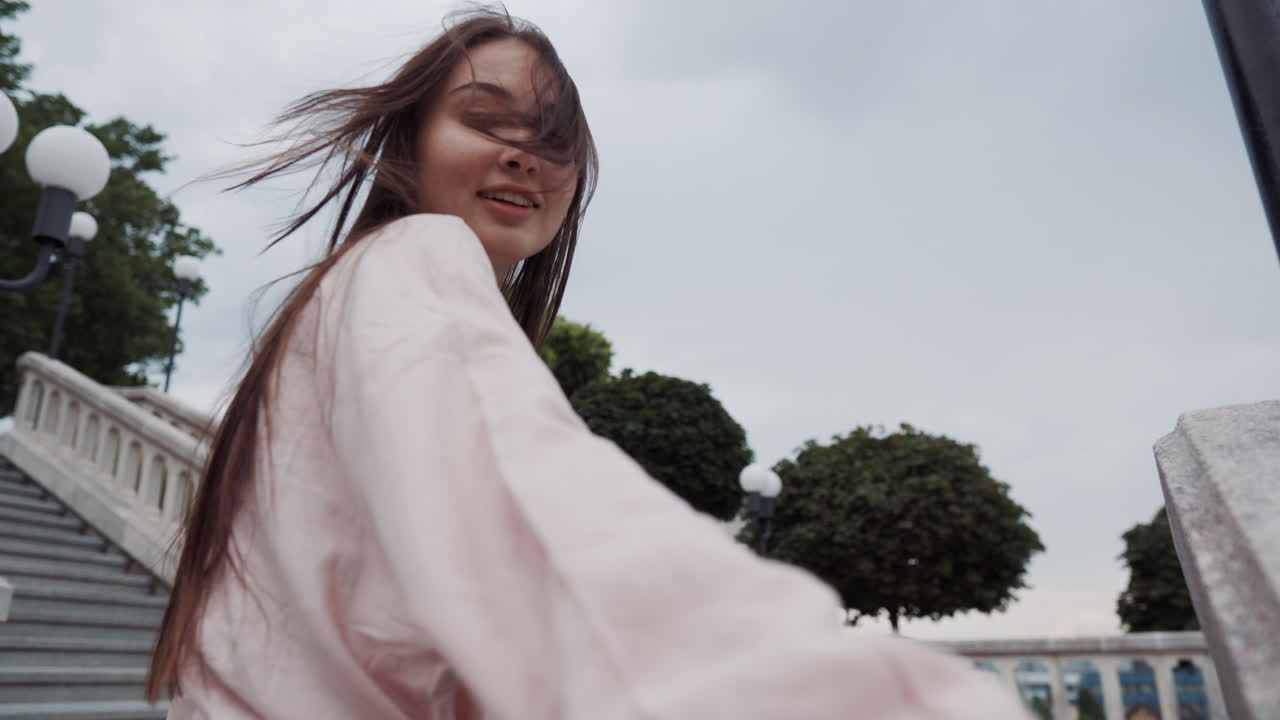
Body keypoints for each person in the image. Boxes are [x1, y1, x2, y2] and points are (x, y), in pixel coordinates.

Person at [147, 9, 1029, 720]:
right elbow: (539, 520)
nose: (525, 154)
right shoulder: (417, 256)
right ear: (409, 142)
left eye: (554, 142)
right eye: (484, 119)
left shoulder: (349, 297)